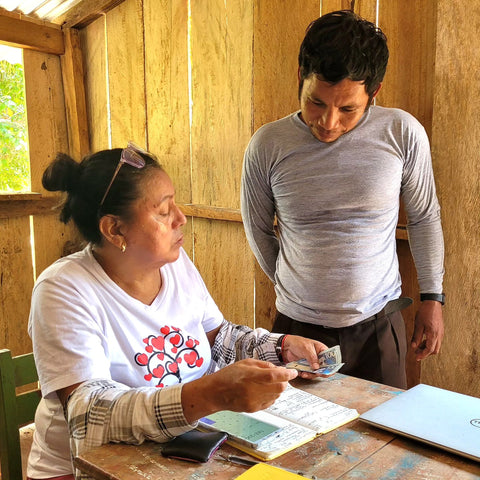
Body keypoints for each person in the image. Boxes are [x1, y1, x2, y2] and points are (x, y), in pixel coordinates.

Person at [27, 143, 328, 480]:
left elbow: (217, 338)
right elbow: (88, 414)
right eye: (163, 210)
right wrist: (210, 394)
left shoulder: (174, 263)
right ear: (115, 229)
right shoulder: (64, 289)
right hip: (92, 468)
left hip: (184, 450)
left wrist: (280, 347)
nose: (181, 218)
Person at [240, 10, 445, 390]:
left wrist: (433, 298)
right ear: (300, 76)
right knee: (295, 443)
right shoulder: (267, 145)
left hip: (379, 328)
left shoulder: (401, 133)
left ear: (374, 92)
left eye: (348, 108)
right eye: (316, 102)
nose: (328, 122)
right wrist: (295, 286)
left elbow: (424, 218)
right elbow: (256, 228)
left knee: (383, 440)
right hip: (296, 330)